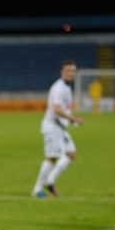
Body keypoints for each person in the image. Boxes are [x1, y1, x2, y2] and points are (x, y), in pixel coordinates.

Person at [31, 60, 84, 198]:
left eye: (73, 71)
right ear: (62, 72)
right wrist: (73, 119)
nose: (71, 73)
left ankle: (50, 181)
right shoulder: (59, 88)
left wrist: (70, 120)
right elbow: (56, 109)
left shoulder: (67, 88)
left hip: (60, 127)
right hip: (52, 126)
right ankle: (37, 189)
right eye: (68, 70)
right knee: (51, 157)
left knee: (71, 154)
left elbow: (64, 109)